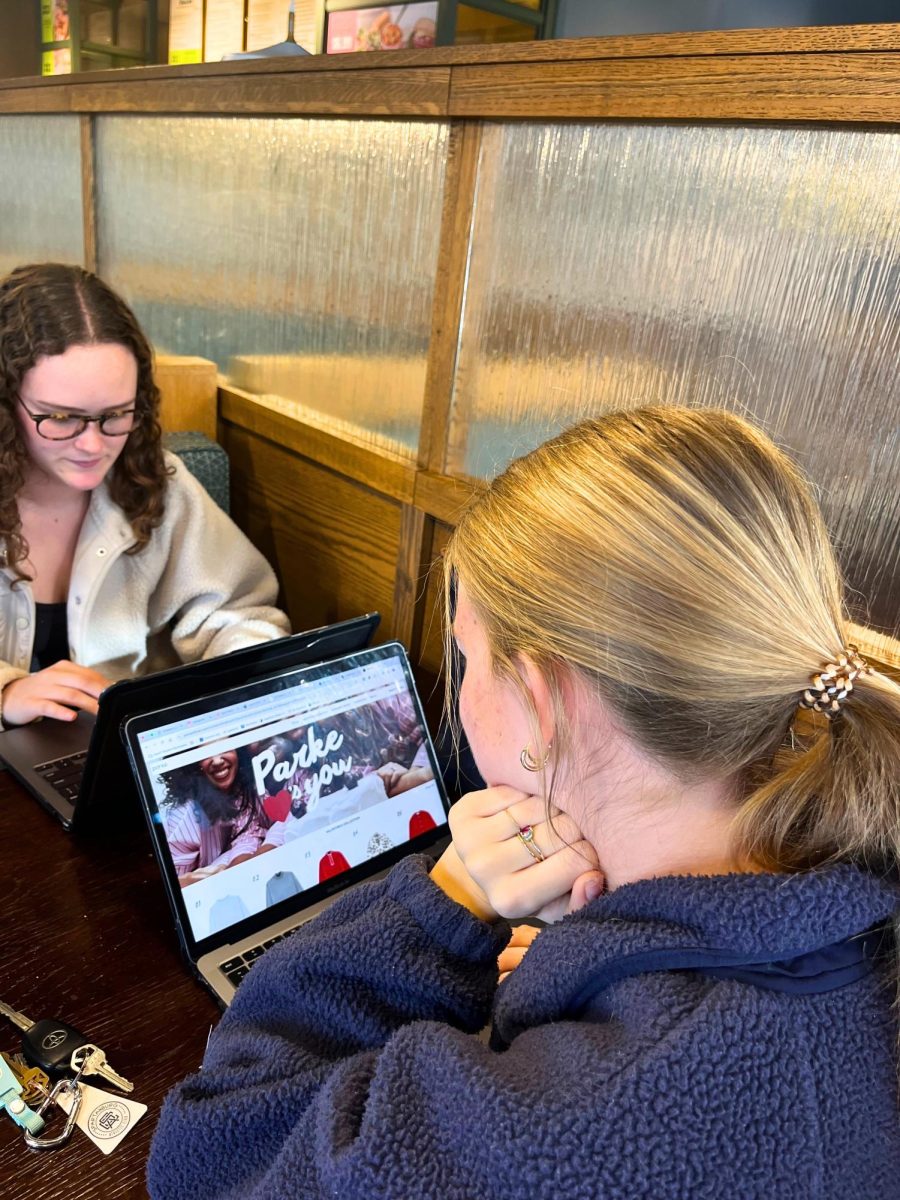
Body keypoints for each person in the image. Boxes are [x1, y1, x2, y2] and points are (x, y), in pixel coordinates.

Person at [148, 407, 900, 1199]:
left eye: (467, 654)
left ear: (543, 704)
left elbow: (213, 1157)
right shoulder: (850, 900)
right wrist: (597, 959)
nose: (462, 688)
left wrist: (446, 905)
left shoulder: (551, 1131)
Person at [0, 263, 290, 727]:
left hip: (114, 756)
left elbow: (240, 612)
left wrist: (240, 685)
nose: (93, 445)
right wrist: (6, 691)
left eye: (116, 413)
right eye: (60, 418)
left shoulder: (154, 478)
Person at [162, 747, 272, 886]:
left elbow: (257, 829)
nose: (217, 760)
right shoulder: (185, 817)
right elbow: (175, 885)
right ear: (195, 764)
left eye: (224, 746)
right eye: (205, 753)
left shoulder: (245, 788)